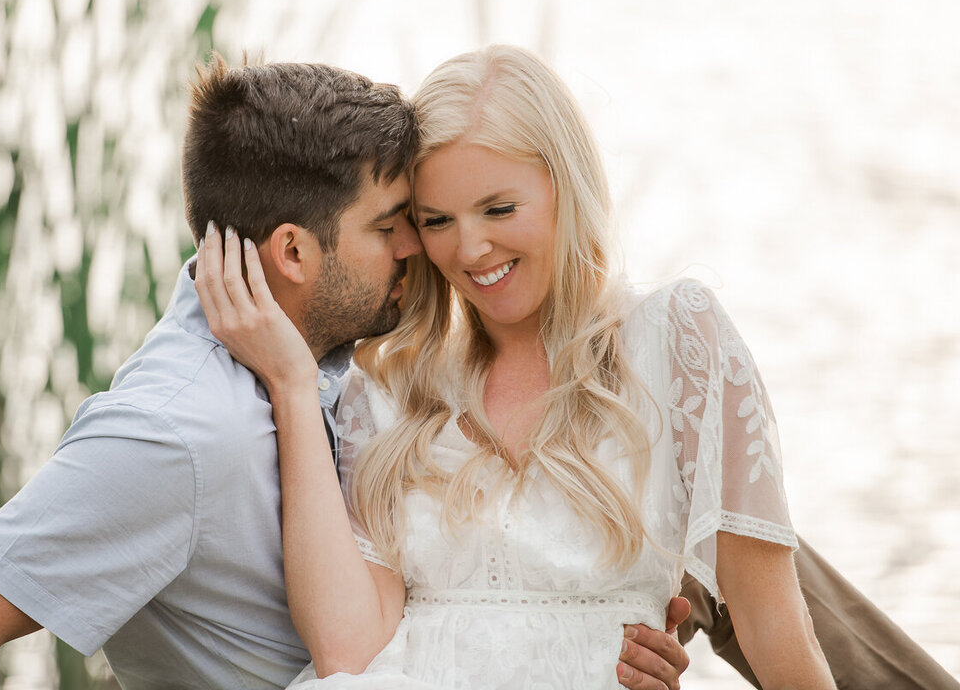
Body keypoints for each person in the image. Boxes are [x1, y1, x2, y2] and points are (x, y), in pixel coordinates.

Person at [0, 57, 690, 690]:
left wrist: (615, 615)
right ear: (295, 252)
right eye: (392, 225)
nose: (422, 247)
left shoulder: (328, 351)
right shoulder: (183, 430)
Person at [193, 46, 955, 689]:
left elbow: (769, 623)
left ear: (565, 186)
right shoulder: (389, 388)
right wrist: (294, 388)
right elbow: (347, 649)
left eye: (499, 209)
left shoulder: (677, 341)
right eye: (436, 221)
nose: (469, 250)